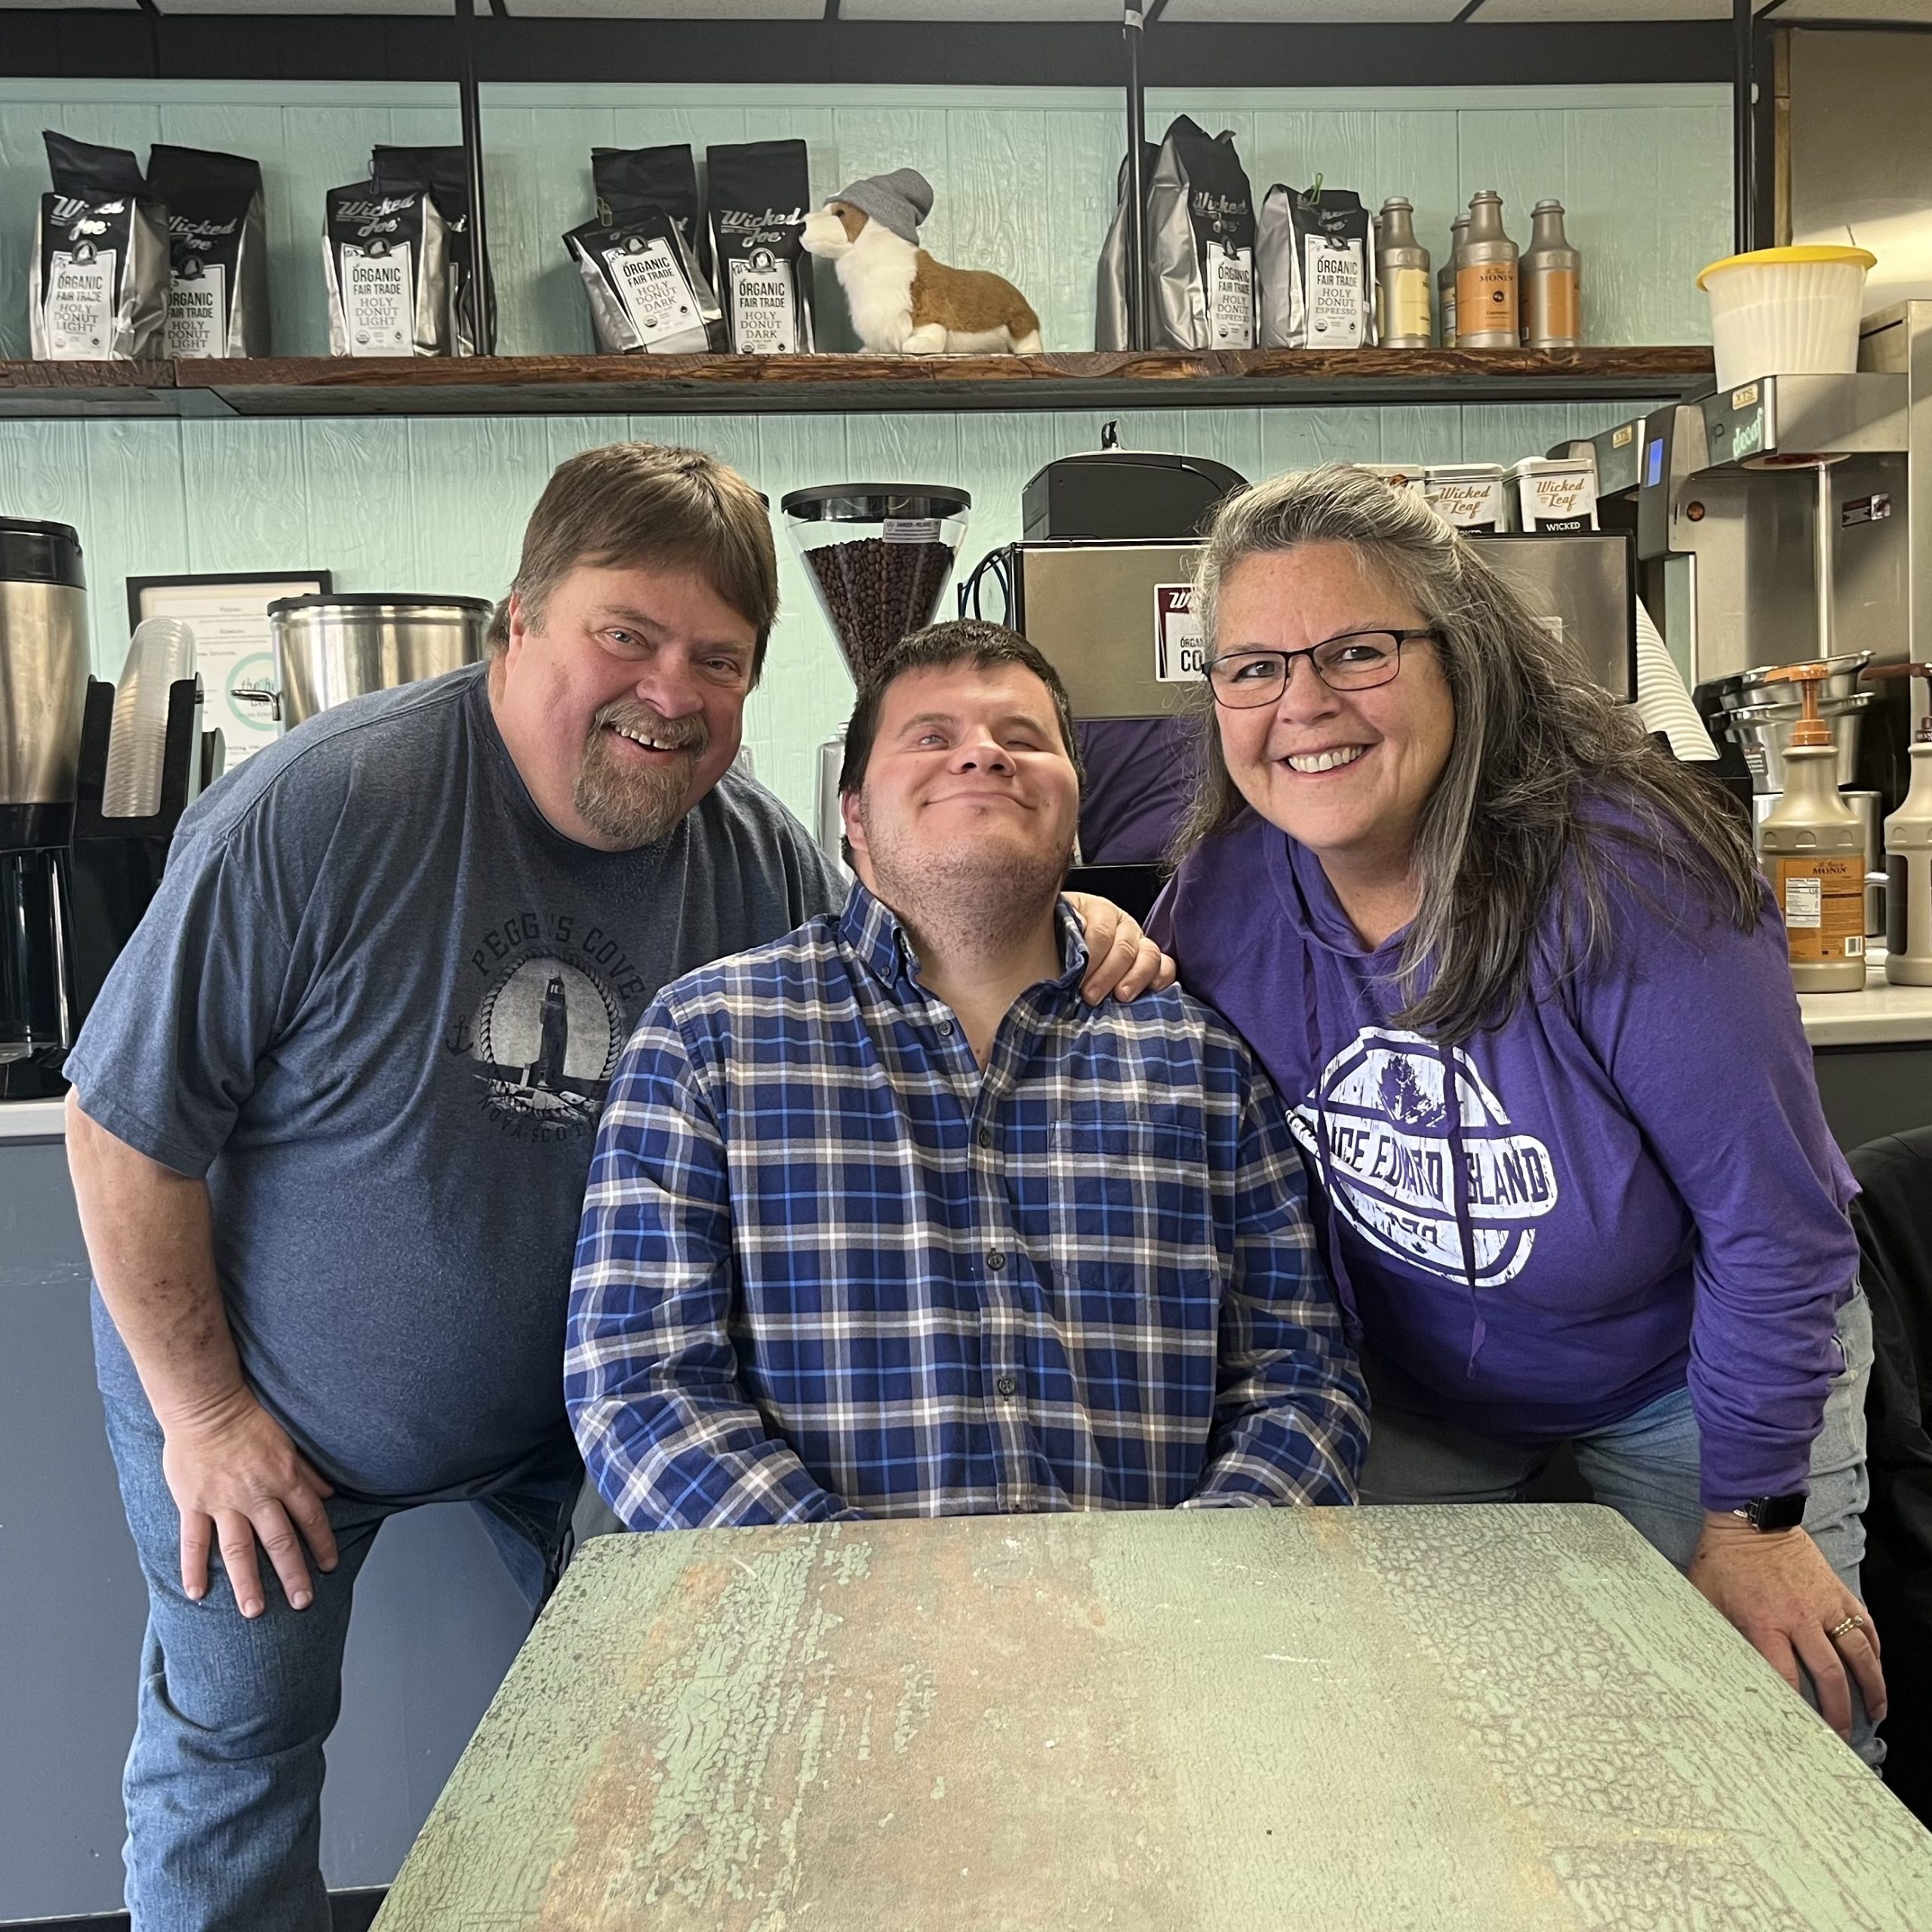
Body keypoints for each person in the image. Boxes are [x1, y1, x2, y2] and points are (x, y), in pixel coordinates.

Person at [63, 445, 1168, 1932]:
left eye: (717, 658)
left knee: (663, 1740)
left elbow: (902, 960)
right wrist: (203, 1416)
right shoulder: (320, 807)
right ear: (515, 625)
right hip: (258, 1403)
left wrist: (1065, 911)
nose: (671, 689)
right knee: (234, 1758)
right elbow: (122, 1121)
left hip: (596, 1411)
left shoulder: (751, 850)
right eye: (626, 636)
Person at [1149, 464, 1885, 1763]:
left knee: (1783, 1744)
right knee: (1385, 1743)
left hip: (1699, 1384)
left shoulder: (1632, 880)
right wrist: (1093, 934)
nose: (1301, 705)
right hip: (1421, 1396)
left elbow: (1776, 1230)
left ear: (1462, 658)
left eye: (1356, 653)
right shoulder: (1224, 894)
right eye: (1252, 667)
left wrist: (1753, 1525)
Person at [567, 620, 1367, 1526]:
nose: (982, 755)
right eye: (931, 737)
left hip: (1154, 1646)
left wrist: (1180, 1593)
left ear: (1076, 811)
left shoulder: (1202, 1063)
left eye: (1022, 738)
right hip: (823, 1642)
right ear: (854, 815)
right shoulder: (706, 1044)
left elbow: (1300, 1385)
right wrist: (855, 1596)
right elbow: (639, 1386)